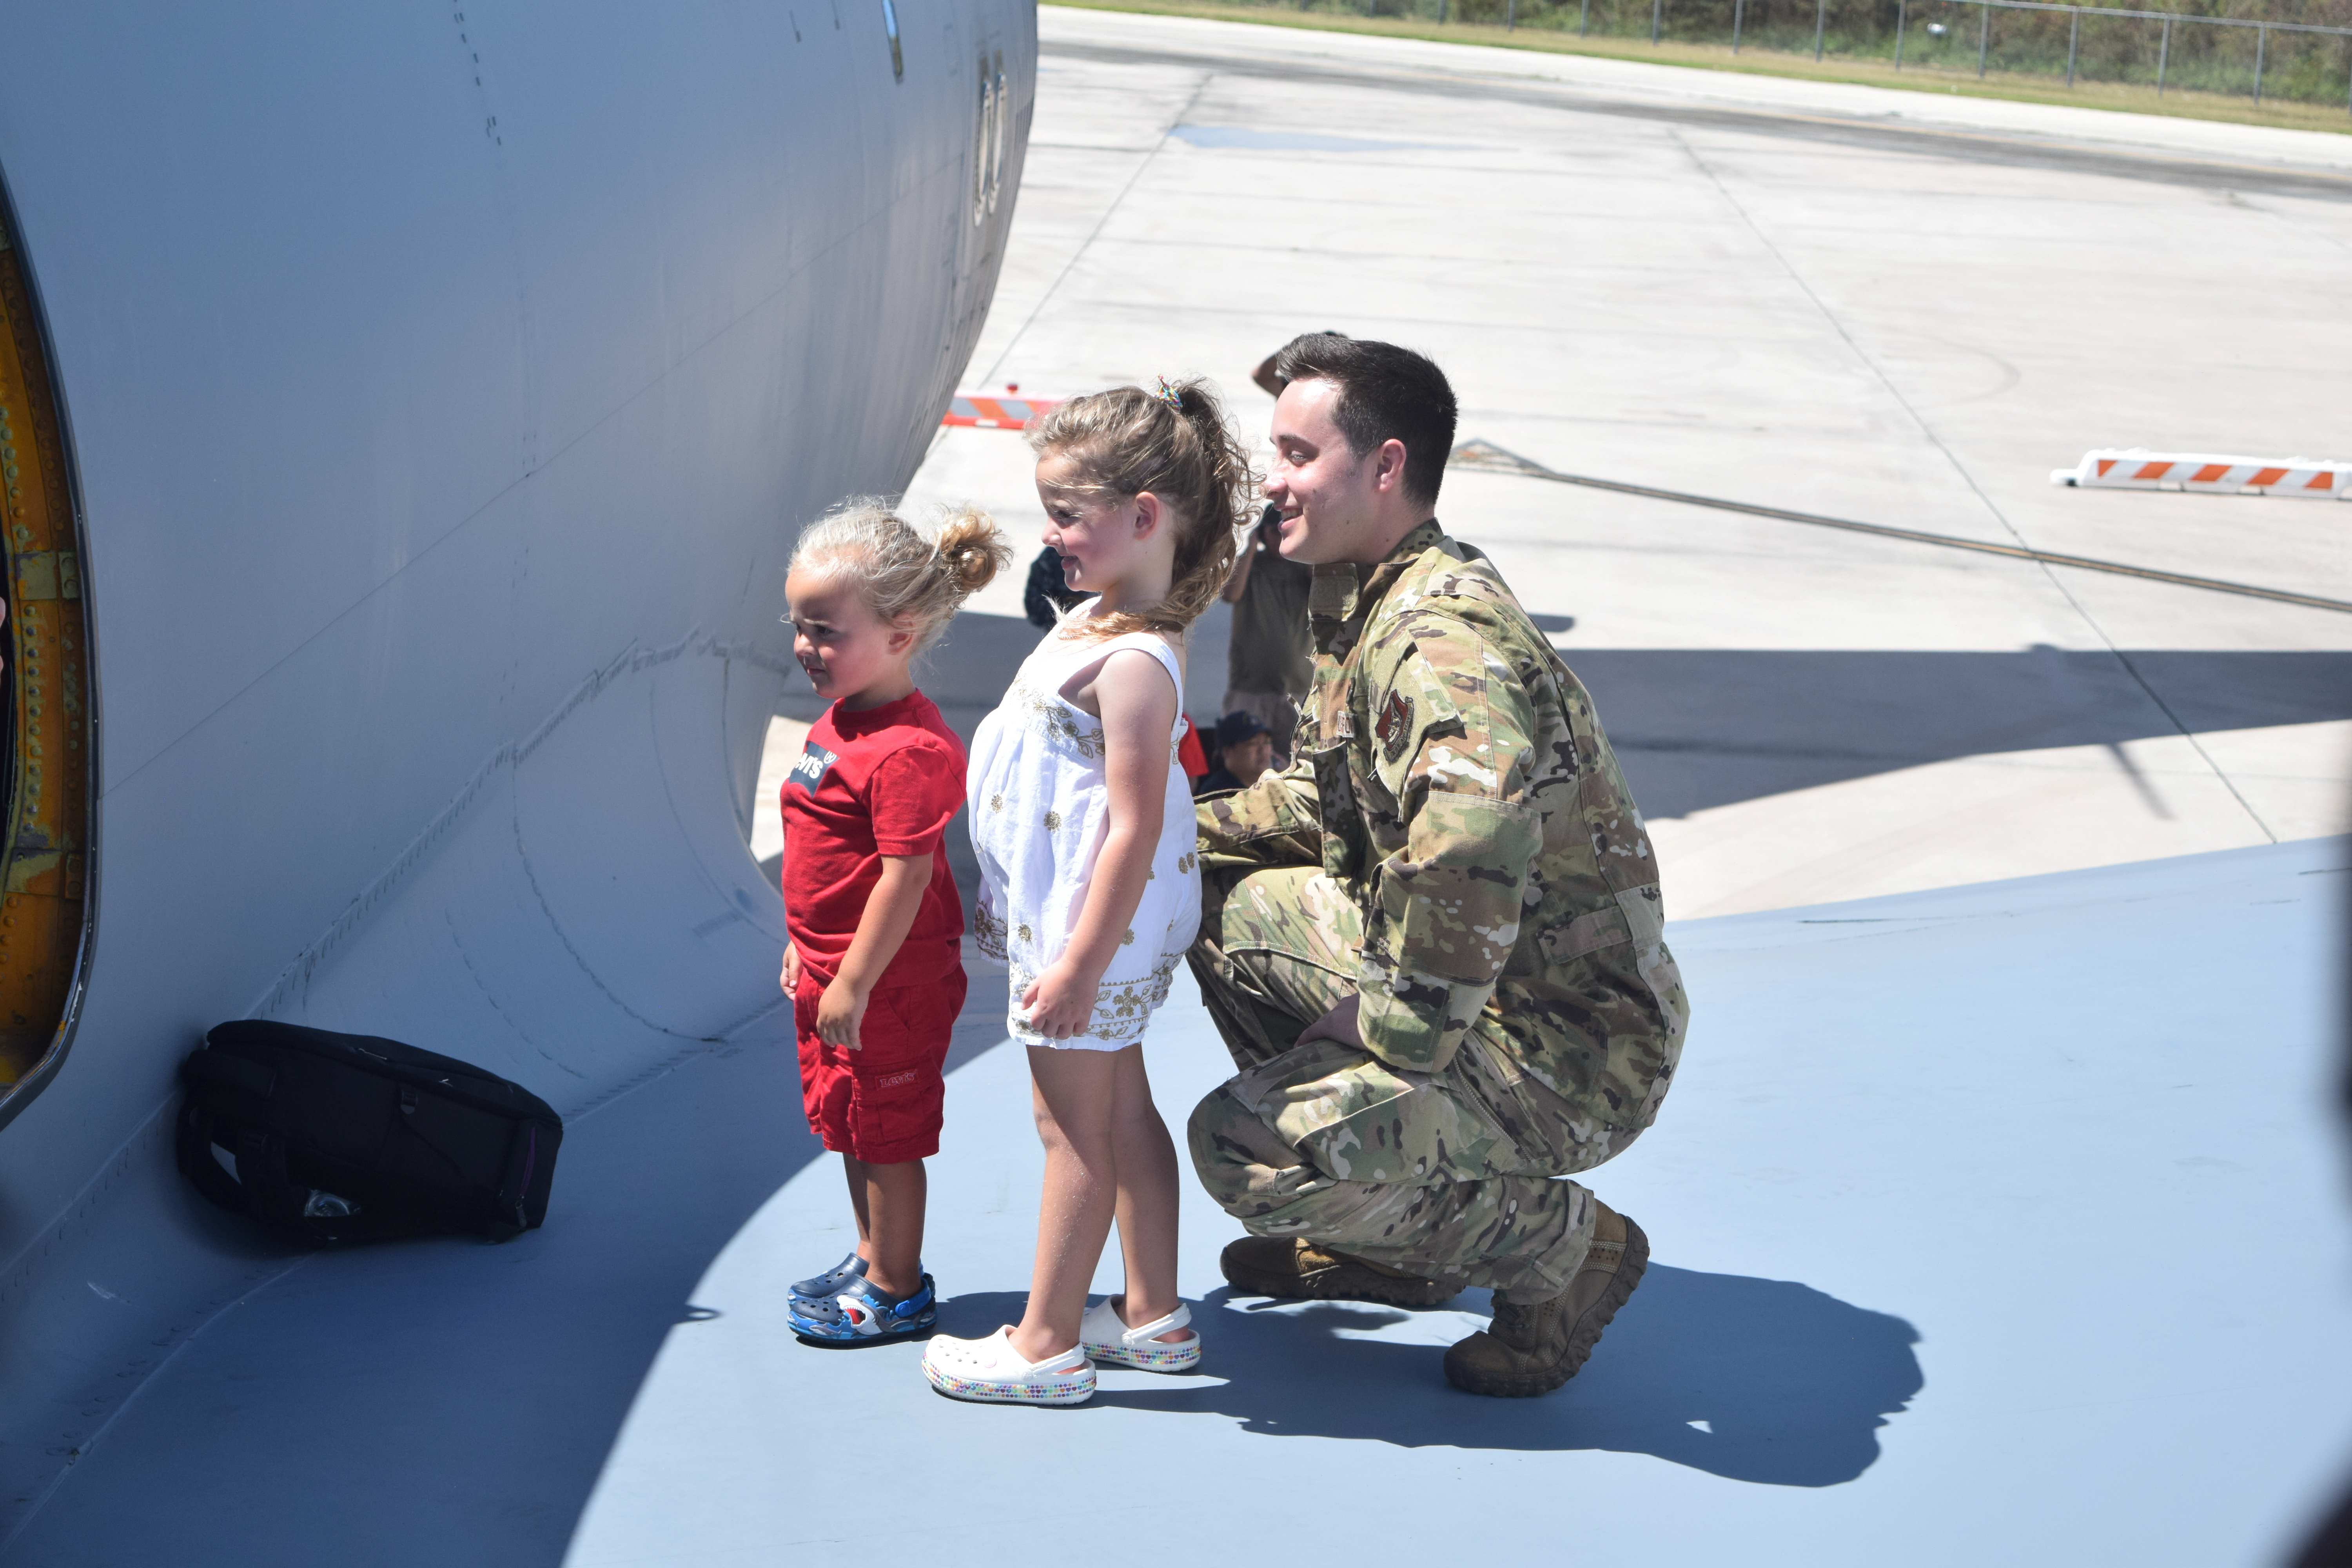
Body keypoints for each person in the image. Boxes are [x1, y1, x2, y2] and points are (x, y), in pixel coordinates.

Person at [1186, 334, 1690, 1397]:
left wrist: (1391, 1025)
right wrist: (1155, 839)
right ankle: (1397, 1235)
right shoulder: (1365, 590)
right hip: (1503, 993)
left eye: (1296, 452)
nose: (1271, 478)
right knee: (1213, 901)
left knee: (1243, 1146)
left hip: (1571, 1052)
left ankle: (1561, 1249)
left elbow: (1470, 842)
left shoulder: (1438, 640)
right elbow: (1325, 805)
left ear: (1384, 468)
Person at [923, 379, 1249, 1406]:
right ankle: (1151, 1313)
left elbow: (1136, 826)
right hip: (1081, 924)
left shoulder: (1138, 662)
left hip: (1088, 933)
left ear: (1143, 516)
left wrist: (1072, 964)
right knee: (1123, 1107)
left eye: (1069, 514)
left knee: (1070, 1133)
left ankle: (1046, 1345)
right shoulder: (1107, 613)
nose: (1053, 534)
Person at [777, 500, 1011, 1343]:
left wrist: (854, 979)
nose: (807, 646)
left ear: (901, 634)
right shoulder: (842, 721)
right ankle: (873, 1255)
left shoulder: (908, 749)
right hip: (836, 972)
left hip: (886, 984)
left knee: (889, 1130)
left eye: (826, 630)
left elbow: (906, 877)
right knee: (850, 1122)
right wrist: (803, 945)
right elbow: (820, 856)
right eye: (800, 626)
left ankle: (899, 1287)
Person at [1219, 503, 1314, 766]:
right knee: (1245, 762)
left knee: (1297, 763)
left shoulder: (1305, 569)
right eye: (1274, 532)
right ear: (1264, 534)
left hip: (1297, 689)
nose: (1279, 538)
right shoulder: (1252, 567)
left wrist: (1303, 545)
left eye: (1284, 530)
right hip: (1251, 688)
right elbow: (1231, 594)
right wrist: (1251, 546)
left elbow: (1324, 592)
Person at [1198, 710, 1273, 795]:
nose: (1263, 750)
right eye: (1253, 744)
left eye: (1267, 742)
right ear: (1227, 752)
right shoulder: (1218, 793)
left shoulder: (1276, 785)